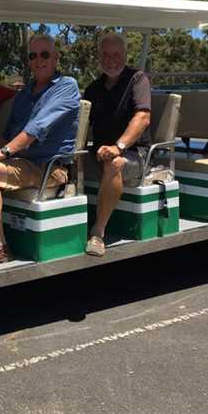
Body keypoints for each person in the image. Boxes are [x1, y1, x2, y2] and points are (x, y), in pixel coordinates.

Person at [0, 34, 80, 265]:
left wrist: (1, 154)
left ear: (56, 58)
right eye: (33, 55)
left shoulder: (66, 86)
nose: (38, 60)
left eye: (44, 54)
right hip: (22, 160)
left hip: (49, 168)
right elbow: (12, 133)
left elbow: (36, 128)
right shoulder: (23, 94)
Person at [83, 32, 151, 256]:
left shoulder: (137, 79)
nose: (111, 60)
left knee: (115, 163)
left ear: (125, 55)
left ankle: (98, 232)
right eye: (105, 55)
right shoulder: (93, 88)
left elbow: (143, 117)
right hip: (100, 151)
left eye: (116, 54)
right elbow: (83, 124)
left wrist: (118, 146)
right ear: (99, 57)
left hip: (134, 153)